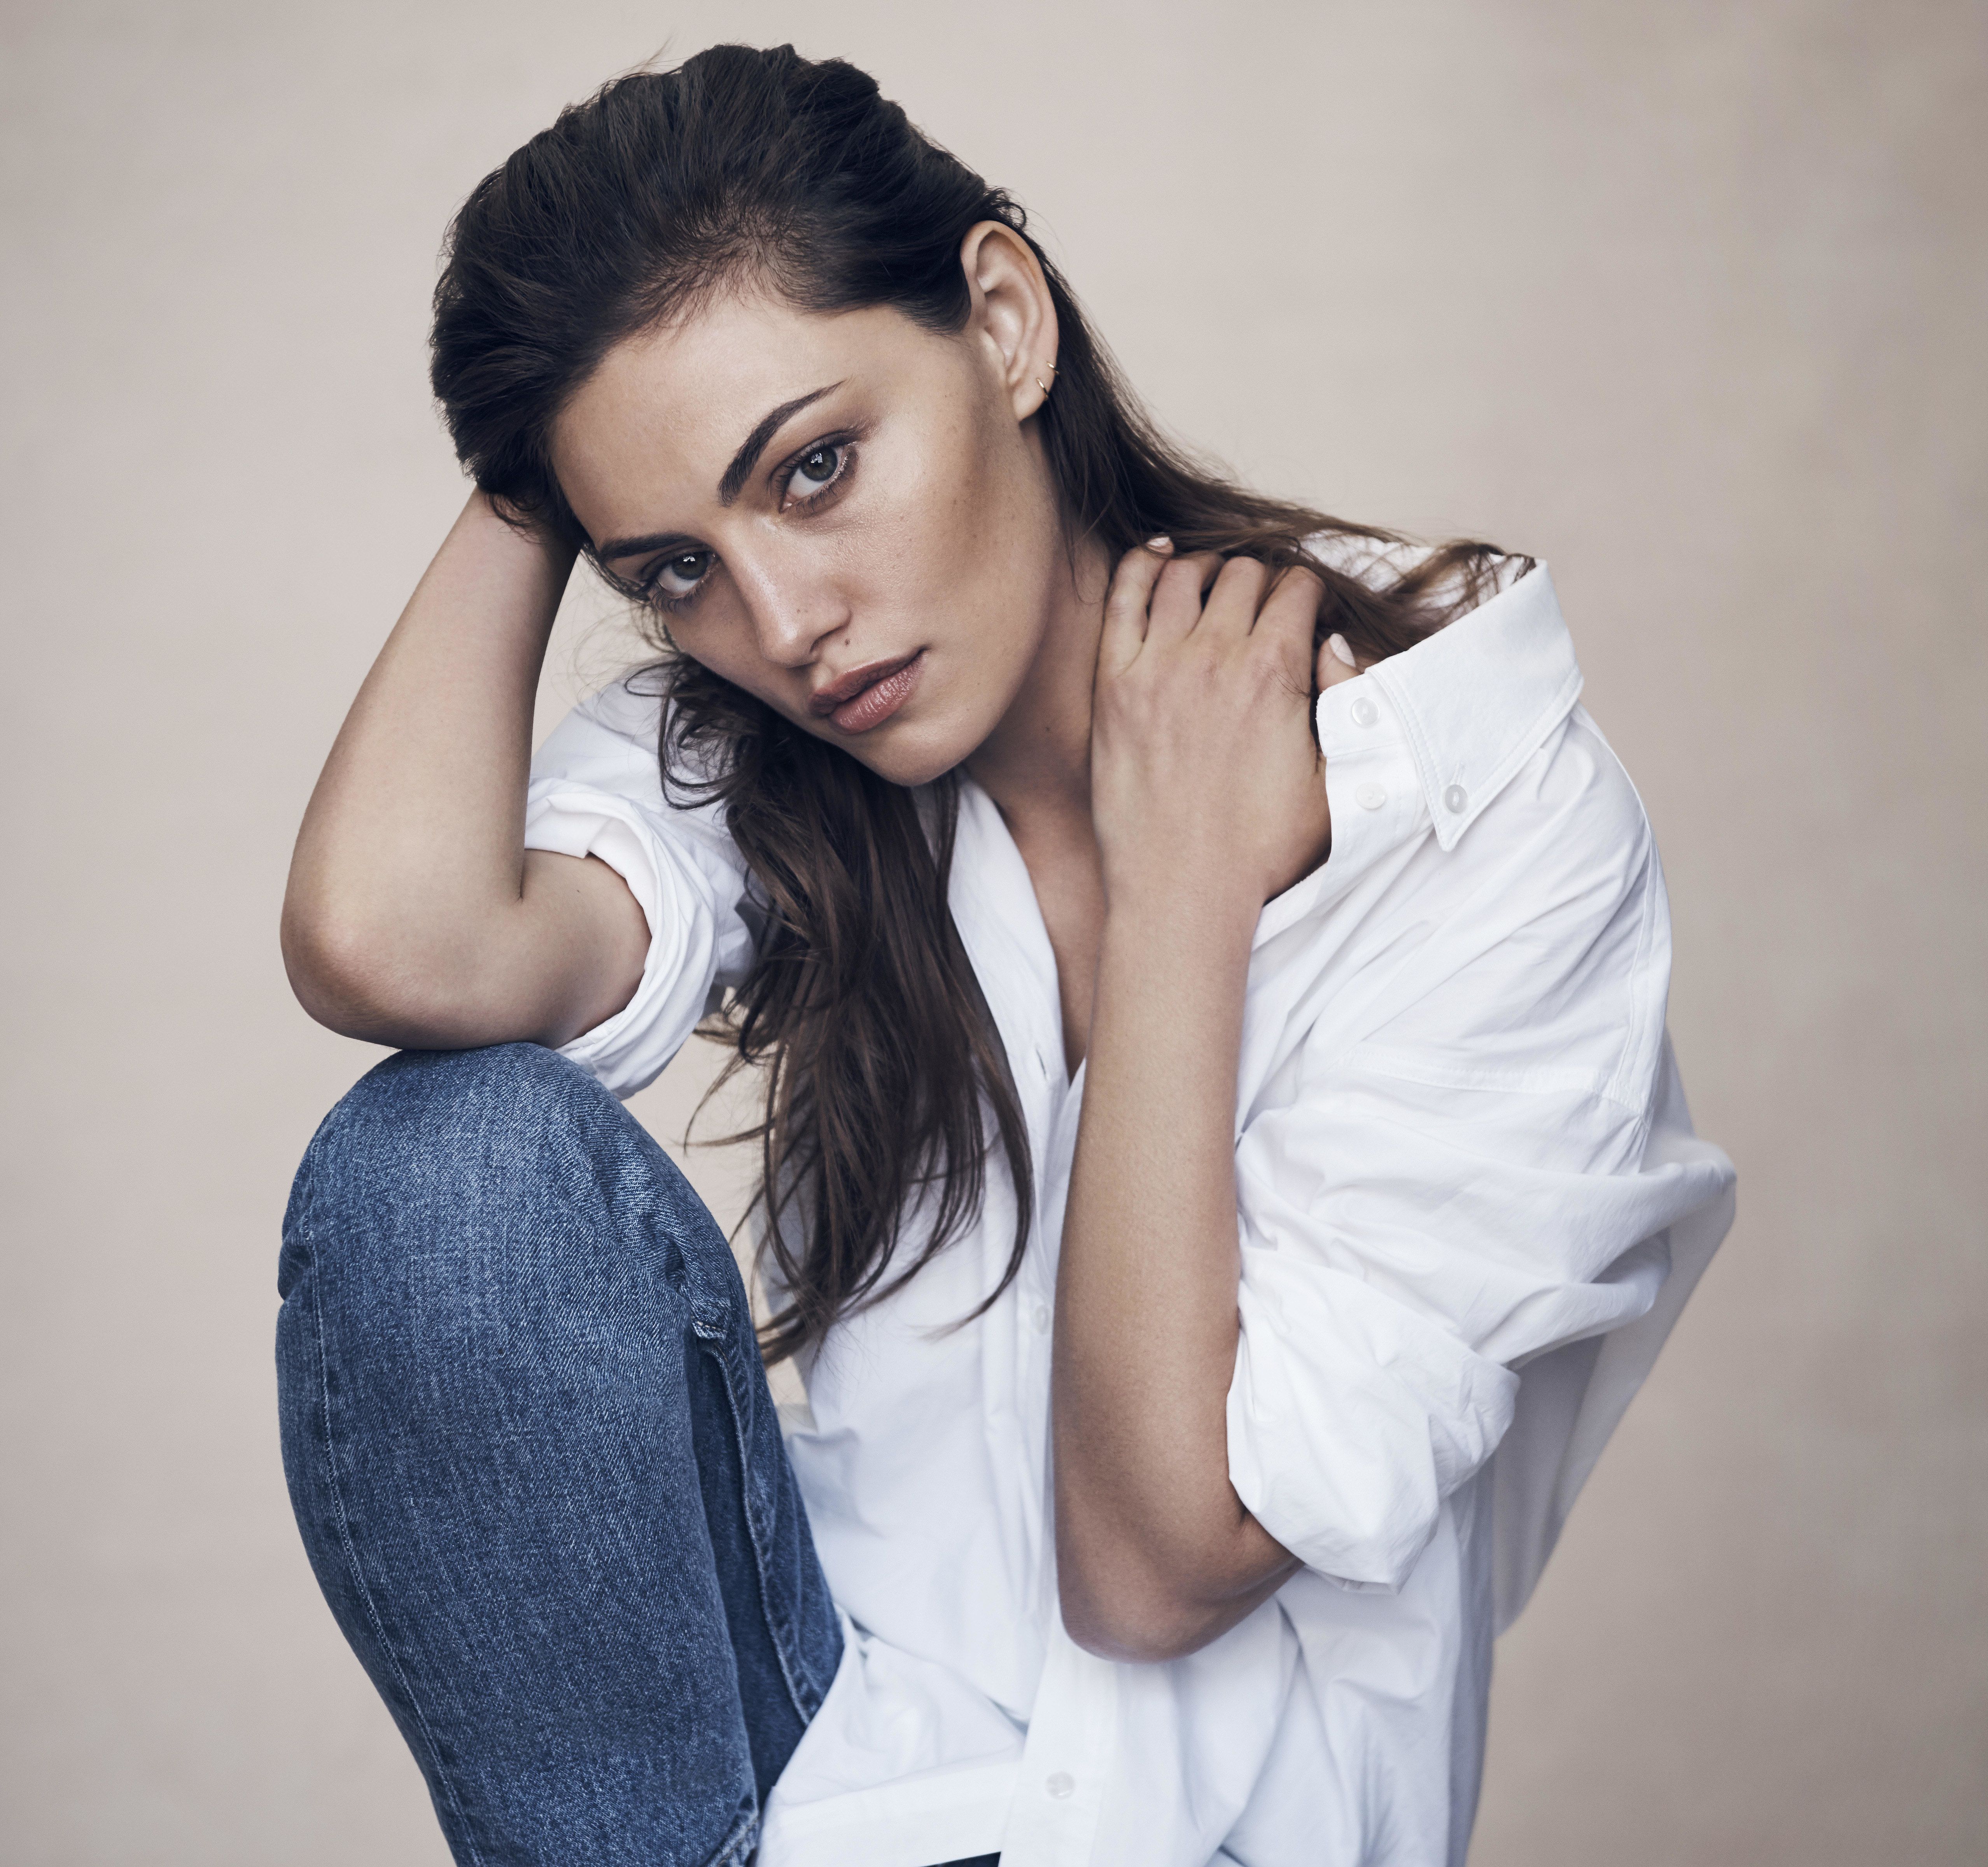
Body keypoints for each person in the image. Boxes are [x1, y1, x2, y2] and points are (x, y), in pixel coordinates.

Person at [276, 42, 1736, 1867]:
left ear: (1002, 322)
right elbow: (388, 943)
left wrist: (1182, 890)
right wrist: (535, 454)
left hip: (1216, 1841)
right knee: (440, 1169)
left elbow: (1157, 1566)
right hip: (822, 1794)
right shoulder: (780, 760)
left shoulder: (1471, 800)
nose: (786, 623)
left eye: (815, 469)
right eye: (672, 567)